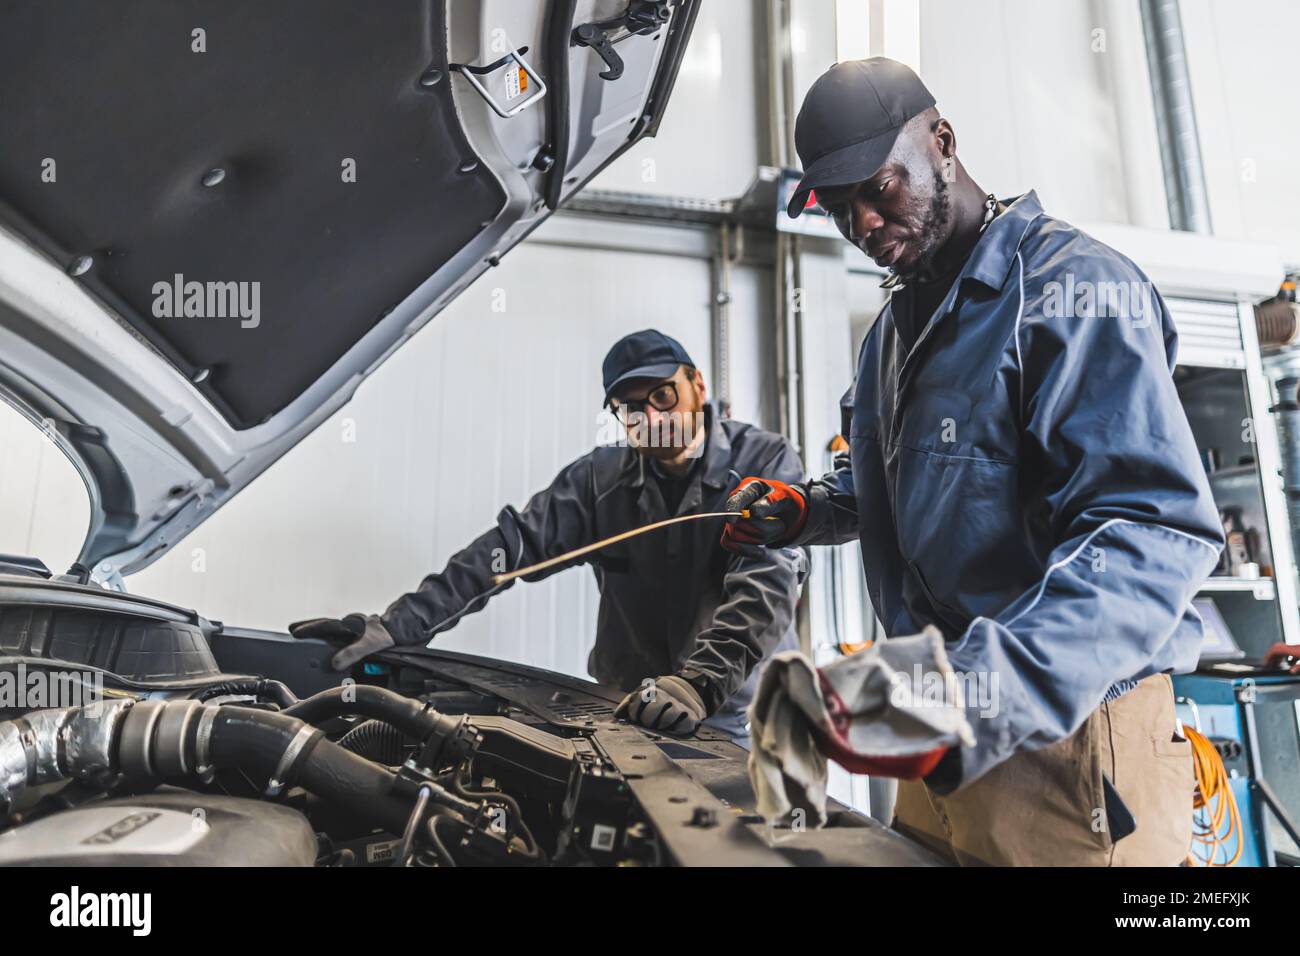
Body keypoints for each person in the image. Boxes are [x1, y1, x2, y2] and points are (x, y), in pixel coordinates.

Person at [724, 58, 1223, 864]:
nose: (862, 222)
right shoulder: (891, 334)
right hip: (937, 728)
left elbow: (1150, 534)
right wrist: (809, 509)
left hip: (1064, 735)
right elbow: (895, 482)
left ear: (942, 143)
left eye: (876, 187)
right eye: (839, 207)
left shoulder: (1075, 291)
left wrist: (968, 693)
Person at [292, 329, 803, 742]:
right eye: (630, 408)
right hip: (628, 707)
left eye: (662, 395)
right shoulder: (599, 483)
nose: (651, 417)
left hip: (736, 713)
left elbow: (768, 583)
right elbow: (508, 550)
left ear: (697, 384)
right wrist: (399, 625)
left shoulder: (764, 464)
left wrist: (700, 685)